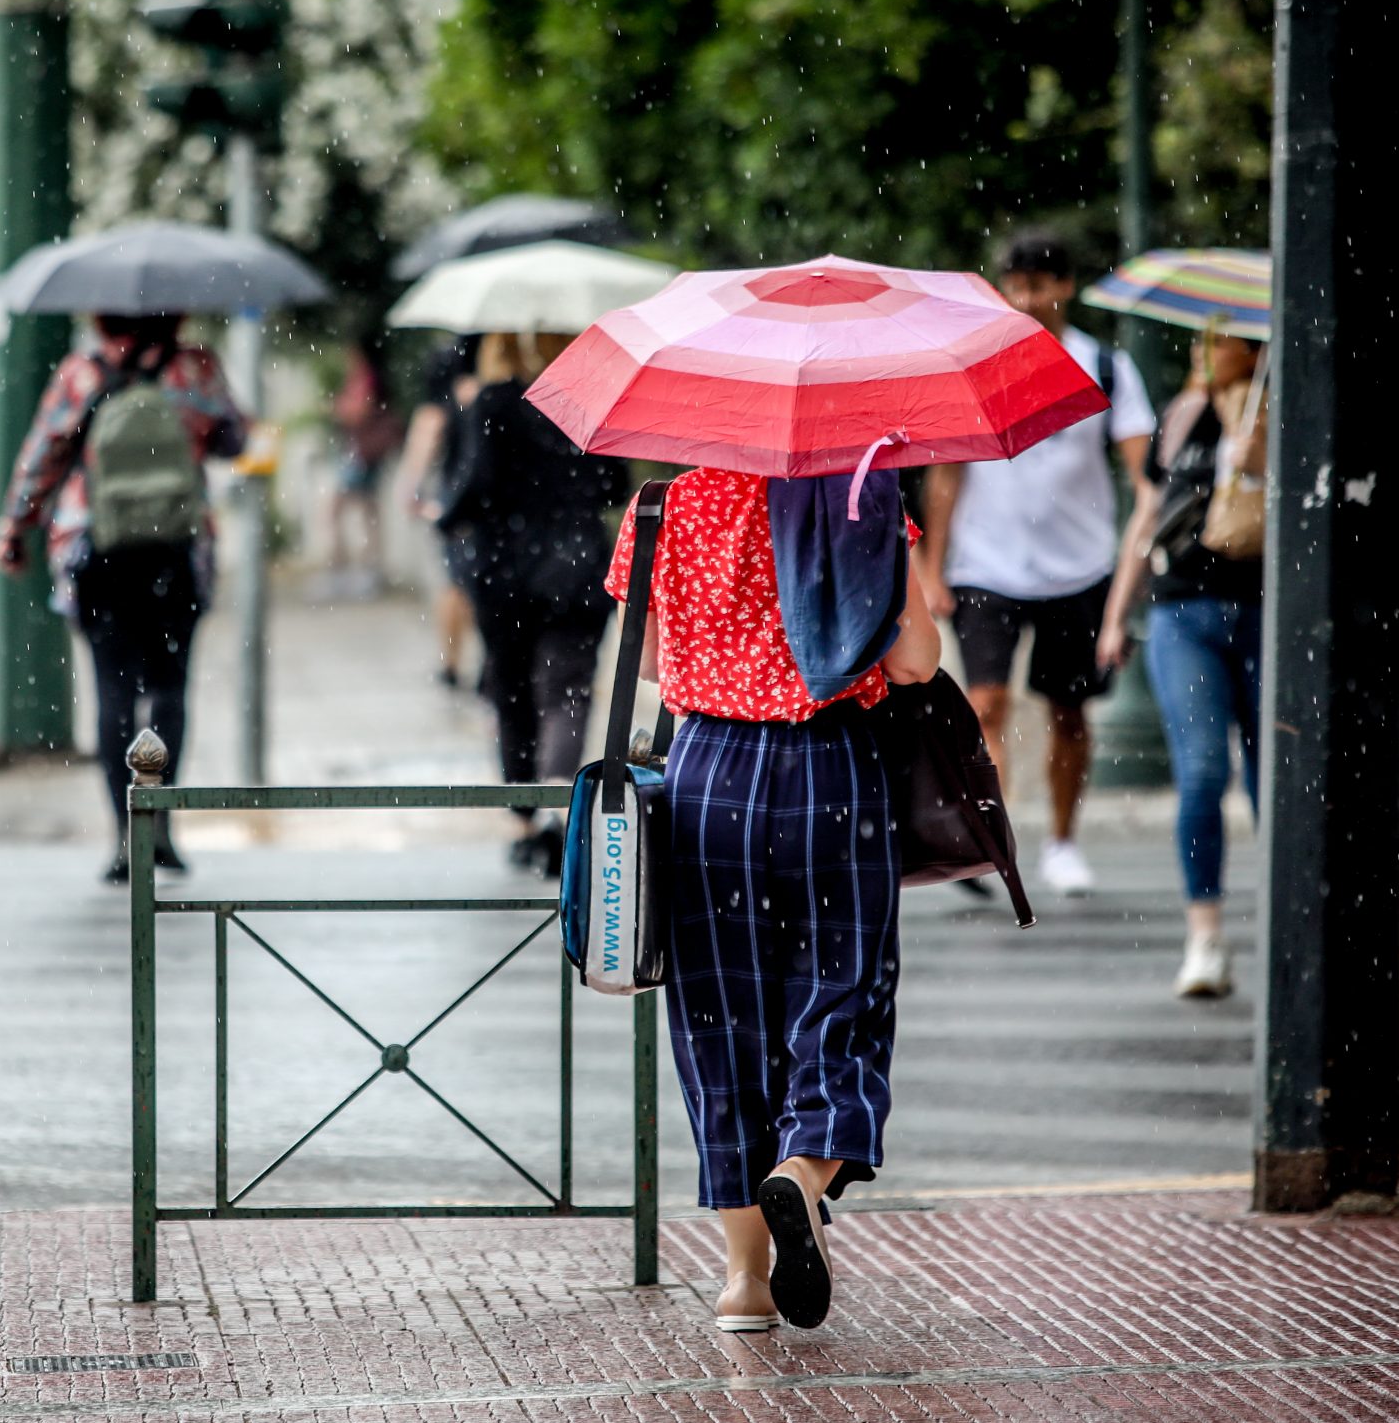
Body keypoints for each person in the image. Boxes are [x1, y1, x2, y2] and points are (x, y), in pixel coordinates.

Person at [608, 463, 940, 1332]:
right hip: (830, 768)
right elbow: (916, 659)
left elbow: (643, 656)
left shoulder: (660, 503)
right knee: (842, 998)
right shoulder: (861, 496)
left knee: (719, 1024)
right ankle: (801, 1169)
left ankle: (744, 1283)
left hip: (704, 778)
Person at [915, 231, 1153, 898]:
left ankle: (1063, 839)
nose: (1025, 297)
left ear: (1064, 287)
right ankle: (995, 836)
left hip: (1077, 566)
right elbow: (946, 474)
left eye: (1039, 284)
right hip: (986, 563)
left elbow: (1142, 470)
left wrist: (1138, 546)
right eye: (1015, 284)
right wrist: (933, 566)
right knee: (986, 701)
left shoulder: (1105, 367)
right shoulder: (978, 364)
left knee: (1069, 712)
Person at [0, 312, 248, 883]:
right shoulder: (195, 367)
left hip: (96, 548)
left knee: (114, 691)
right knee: (169, 689)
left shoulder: (82, 373)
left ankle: (122, 833)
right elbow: (236, 438)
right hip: (178, 548)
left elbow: (43, 455)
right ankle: (161, 827)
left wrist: (15, 528)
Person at [1097, 328, 1266, 999]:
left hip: (1263, 610)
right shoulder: (1181, 413)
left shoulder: (1279, 410)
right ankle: (1205, 936)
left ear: (1255, 350)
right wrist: (1115, 614)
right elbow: (1148, 515)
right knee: (1201, 769)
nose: (1204, 350)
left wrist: (1264, 462)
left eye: (1220, 340)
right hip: (1180, 611)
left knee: (1271, 779)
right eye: (1201, 338)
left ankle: (1285, 925)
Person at [438, 330, 628, 873]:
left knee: (511, 690)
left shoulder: (494, 403)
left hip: (506, 572)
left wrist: (444, 514)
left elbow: (475, 484)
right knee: (567, 690)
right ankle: (555, 807)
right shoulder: (587, 401)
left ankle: (524, 819)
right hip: (577, 569)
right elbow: (613, 484)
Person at [397, 335, 482, 688]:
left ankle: (451, 663)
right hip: (490, 497)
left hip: (454, 499)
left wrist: (411, 488)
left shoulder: (446, 364)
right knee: (480, 583)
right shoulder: (491, 368)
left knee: (455, 584)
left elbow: (428, 427)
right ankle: (487, 663)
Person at [325, 343, 399, 596]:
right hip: (361, 453)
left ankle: (355, 571)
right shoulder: (361, 379)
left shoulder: (364, 379)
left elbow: (359, 412)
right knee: (365, 512)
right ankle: (364, 570)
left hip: (361, 455)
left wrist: (340, 408)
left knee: (347, 511)